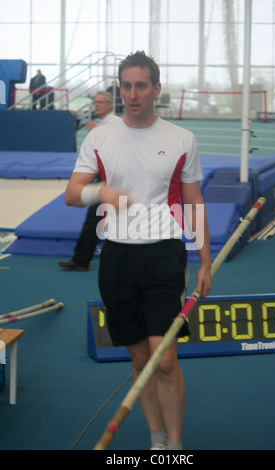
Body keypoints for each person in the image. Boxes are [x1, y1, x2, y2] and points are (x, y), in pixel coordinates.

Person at [64, 51, 212, 450]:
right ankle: (157, 439)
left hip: (164, 254)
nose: (133, 94)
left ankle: (176, 448)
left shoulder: (182, 139)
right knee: (139, 359)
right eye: (126, 86)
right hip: (117, 257)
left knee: (164, 359)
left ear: (156, 89)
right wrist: (102, 192)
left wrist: (205, 261)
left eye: (141, 86)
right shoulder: (100, 137)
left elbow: (194, 203)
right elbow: (72, 194)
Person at [59, 91, 120, 271]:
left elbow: (114, 147)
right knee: (94, 219)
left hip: (112, 177)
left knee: (98, 219)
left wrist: (95, 131)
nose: (97, 105)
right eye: (96, 102)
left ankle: (82, 259)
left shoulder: (115, 123)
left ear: (110, 105)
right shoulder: (103, 124)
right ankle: (81, 259)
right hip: (104, 176)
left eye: (101, 102)